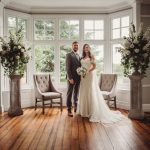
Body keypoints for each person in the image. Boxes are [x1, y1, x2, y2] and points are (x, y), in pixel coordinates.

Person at [77, 44, 124, 123]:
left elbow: (94, 66)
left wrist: (88, 71)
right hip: (83, 77)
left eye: (87, 47)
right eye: (85, 47)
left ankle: (91, 111)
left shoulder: (92, 56)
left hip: (89, 75)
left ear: (89, 48)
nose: (86, 48)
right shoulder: (81, 57)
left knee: (89, 91)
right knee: (83, 92)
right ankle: (83, 111)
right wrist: (81, 72)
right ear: (83, 49)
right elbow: (81, 66)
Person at [66, 41, 81, 117]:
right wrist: (70, 78)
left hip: (78, 78)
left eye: (77, 45)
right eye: (74, 45)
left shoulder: (79, 56)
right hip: (71, 78)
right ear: (72, 46)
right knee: (69, 94)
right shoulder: (69, 55)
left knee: (76, 93)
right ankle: (69, 109)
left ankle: (76, 107)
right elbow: (67, 68)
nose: (76, 47)